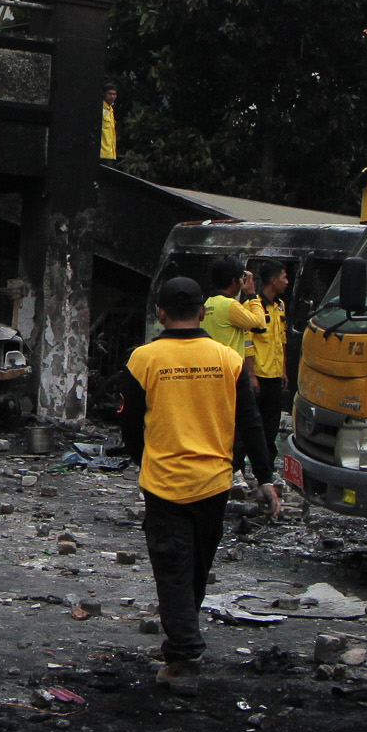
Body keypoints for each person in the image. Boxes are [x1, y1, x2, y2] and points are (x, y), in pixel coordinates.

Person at [119, 276, 274, 694]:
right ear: (202, 314)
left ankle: (184, 656)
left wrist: (144, 461)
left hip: (165, 482)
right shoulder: (228, 359)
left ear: (161, 314)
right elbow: (251, 421)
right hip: (214, 482)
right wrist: (266, 478)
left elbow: (130, 426)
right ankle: (182, 640)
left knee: (172, 567)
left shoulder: (143, 359)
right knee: (197, 565)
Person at [200, 259, 281, 518]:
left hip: (208, 371)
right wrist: (251, 295)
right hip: (231, 373)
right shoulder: (231, 305)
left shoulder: (207, 305)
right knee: (241, 425)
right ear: (235, 282)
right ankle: (234, 472)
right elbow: (259, 324)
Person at [249, 258, 293, 461]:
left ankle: (267, 463)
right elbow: (247, 342)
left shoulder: (281, 306)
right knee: (253, 422)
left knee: (272, 423)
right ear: (273, 280)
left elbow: (281, 339)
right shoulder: (253, 305)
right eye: (284, 278)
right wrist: (251, 376)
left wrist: (283, 370)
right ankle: (244, 463)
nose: (287, 282)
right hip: (258, 375)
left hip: (275, 374)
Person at [100, 83, 119, 161]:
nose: (112, 96)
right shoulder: (101, 108)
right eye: (110, 94)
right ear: (104, 94)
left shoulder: (111, 109)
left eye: (114, 94)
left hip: (110, 154)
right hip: (101, 153)